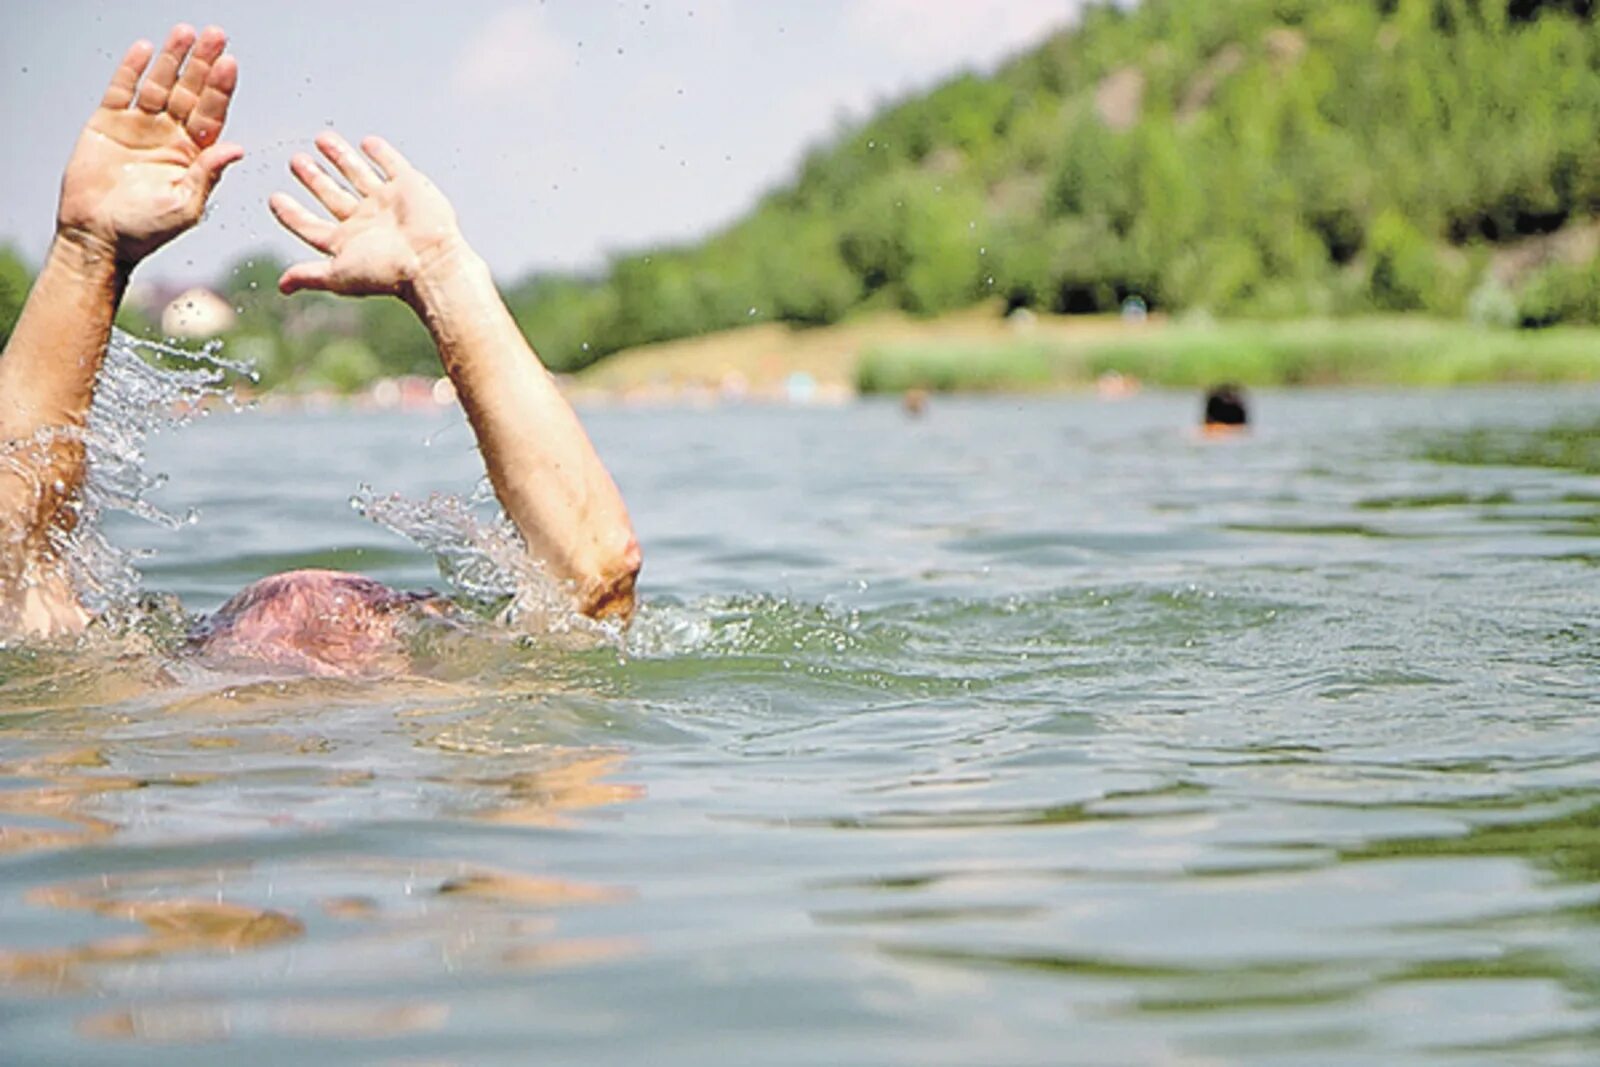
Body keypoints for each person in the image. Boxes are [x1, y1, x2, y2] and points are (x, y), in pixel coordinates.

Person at [0, 25, 640, 677]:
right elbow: (592, 580)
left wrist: (88, 254)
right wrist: (444, 276)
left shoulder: (141, 694)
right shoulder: (456, 703)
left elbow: (13, 563)